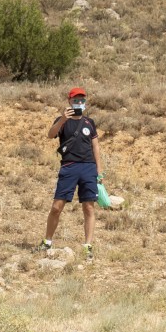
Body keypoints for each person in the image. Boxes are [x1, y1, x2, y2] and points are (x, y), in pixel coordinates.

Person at [38, 87, 105, 261]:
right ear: (69, 101)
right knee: (56, 207)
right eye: (76, 100)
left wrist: (99, 170)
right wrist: (62, 120)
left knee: (89, 207)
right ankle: (47, 241)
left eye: (82, 100)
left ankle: (87, 245)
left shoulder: (89, 123)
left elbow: (95, 146)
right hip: (69, 167)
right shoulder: (62, 120)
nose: (79, 103)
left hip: (88, 168)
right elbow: (50, 135)